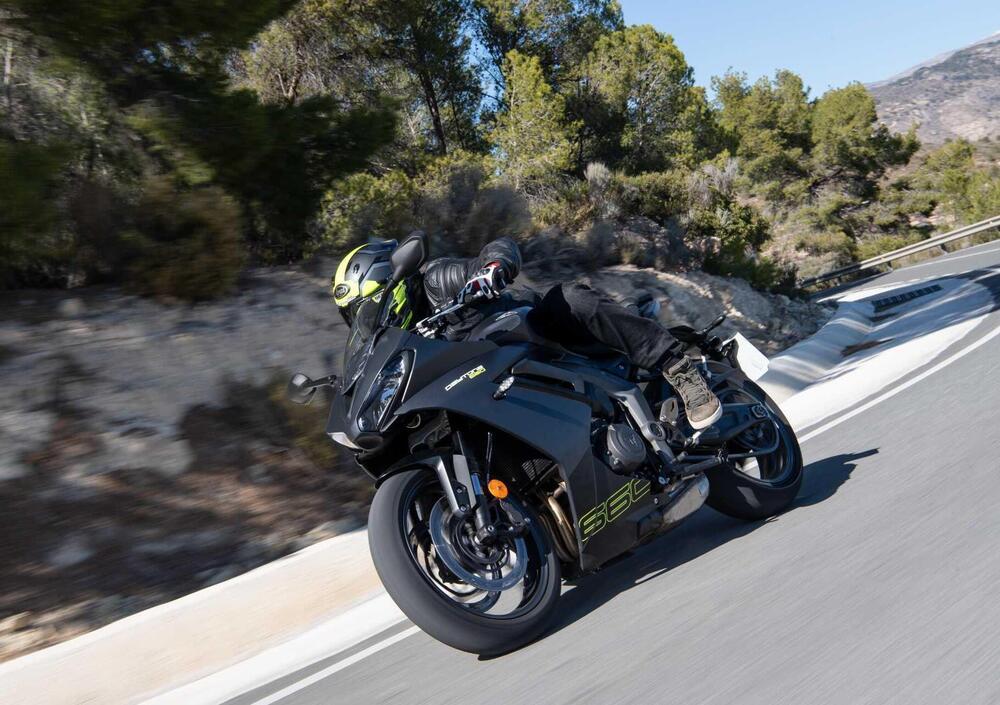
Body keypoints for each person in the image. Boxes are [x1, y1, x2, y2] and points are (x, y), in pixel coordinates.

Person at [332, 235, 722, 429]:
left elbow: (498, 249)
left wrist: (493, 268)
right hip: (493, 385)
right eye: (358, 318)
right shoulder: (405, 346)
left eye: (369, 308)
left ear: (392, 286)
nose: (369, 321)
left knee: (571, 298)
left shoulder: (437, 280)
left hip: (537, 333)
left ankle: (679, 370)